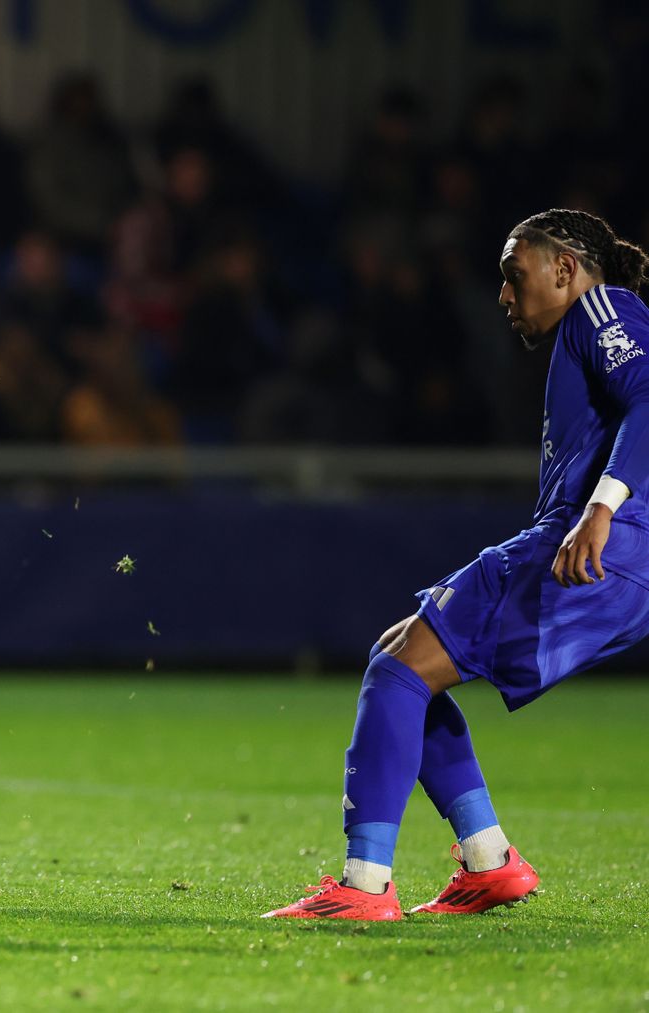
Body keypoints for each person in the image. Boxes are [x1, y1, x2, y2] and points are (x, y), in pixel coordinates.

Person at [265, 209, 649, 919]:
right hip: (621, 564)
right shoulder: (581, 333)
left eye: (515, 274)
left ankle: (365, 883)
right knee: (410, 666)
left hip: (599, 544)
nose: (504, 296)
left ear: (564, 268)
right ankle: (489, 861)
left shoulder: (603, 307)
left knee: (396, 667)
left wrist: (601, 508)